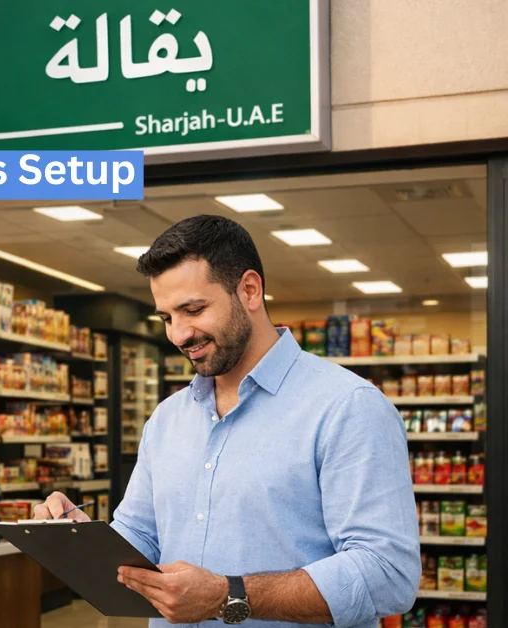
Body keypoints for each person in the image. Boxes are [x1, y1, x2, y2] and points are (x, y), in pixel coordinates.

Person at [34, 215, 419, 627]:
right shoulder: (167, 419)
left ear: (249, 290)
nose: (179, 335)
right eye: (167, 318)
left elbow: (387, 573)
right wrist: (81, 538)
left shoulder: (347, 407)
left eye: (194, 309)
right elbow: (140, 539)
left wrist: (229, 595)